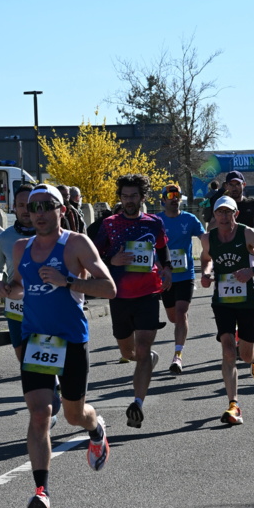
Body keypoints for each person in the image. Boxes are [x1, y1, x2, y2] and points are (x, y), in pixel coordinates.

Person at [6, 184, 116, 508]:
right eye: (33, 207)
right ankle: (42, 492)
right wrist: (3, 288)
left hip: (70, 340)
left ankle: (95, 427)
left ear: (62, 210)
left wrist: (67, 281)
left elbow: (109, 288)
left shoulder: (77, 244)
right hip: (37, 341)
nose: (38, 213)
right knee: (40, 414)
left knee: (73, 415)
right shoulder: (21, 247)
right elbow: (17, 286)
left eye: (46, 206)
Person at [94, 174, 172, 429]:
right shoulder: (109, 224)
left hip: (148, 293)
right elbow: (93, 256)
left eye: (134, 196)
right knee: (128, 353)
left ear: (142, 197)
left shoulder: (154, 222)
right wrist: (112, 261)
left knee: (143, 347)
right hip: (119, 296)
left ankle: (137, 403)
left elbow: (162, 248)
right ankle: (147, 359)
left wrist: (167, 269)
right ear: (120, 197)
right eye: (125, 196)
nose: (129, 200)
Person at [199, 195, 254, 425]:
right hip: (222, 302)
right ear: (214, 215)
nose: (224, 216)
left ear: (236, 213)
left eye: (228, 212)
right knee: (227, 350)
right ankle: (233, 405)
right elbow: (206, 259)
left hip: (247, 302)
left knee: (244, 355)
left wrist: (252, 272)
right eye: (219, 212)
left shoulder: (247, 233)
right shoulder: (208, 238)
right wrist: (206, 273)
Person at [157, 181, 205, 374]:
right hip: (165, 277)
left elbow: (205, 238)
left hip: (186, 274)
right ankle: (181, 324)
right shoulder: (157, 221)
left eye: (177, 196)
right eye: (170, 196)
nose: (174, 199)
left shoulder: (189, 219)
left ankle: (178, 356)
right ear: (163, 200)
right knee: (173, 317)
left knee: (181, 312)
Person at [0, 183, 38, 362]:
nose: (25, 210)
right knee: (22, 353)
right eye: (21, 205)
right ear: (14, 208)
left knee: (46, 355)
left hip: (47, 302)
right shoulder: (4, 237)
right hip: (16, 304)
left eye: (30, 204)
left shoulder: (53, 235)